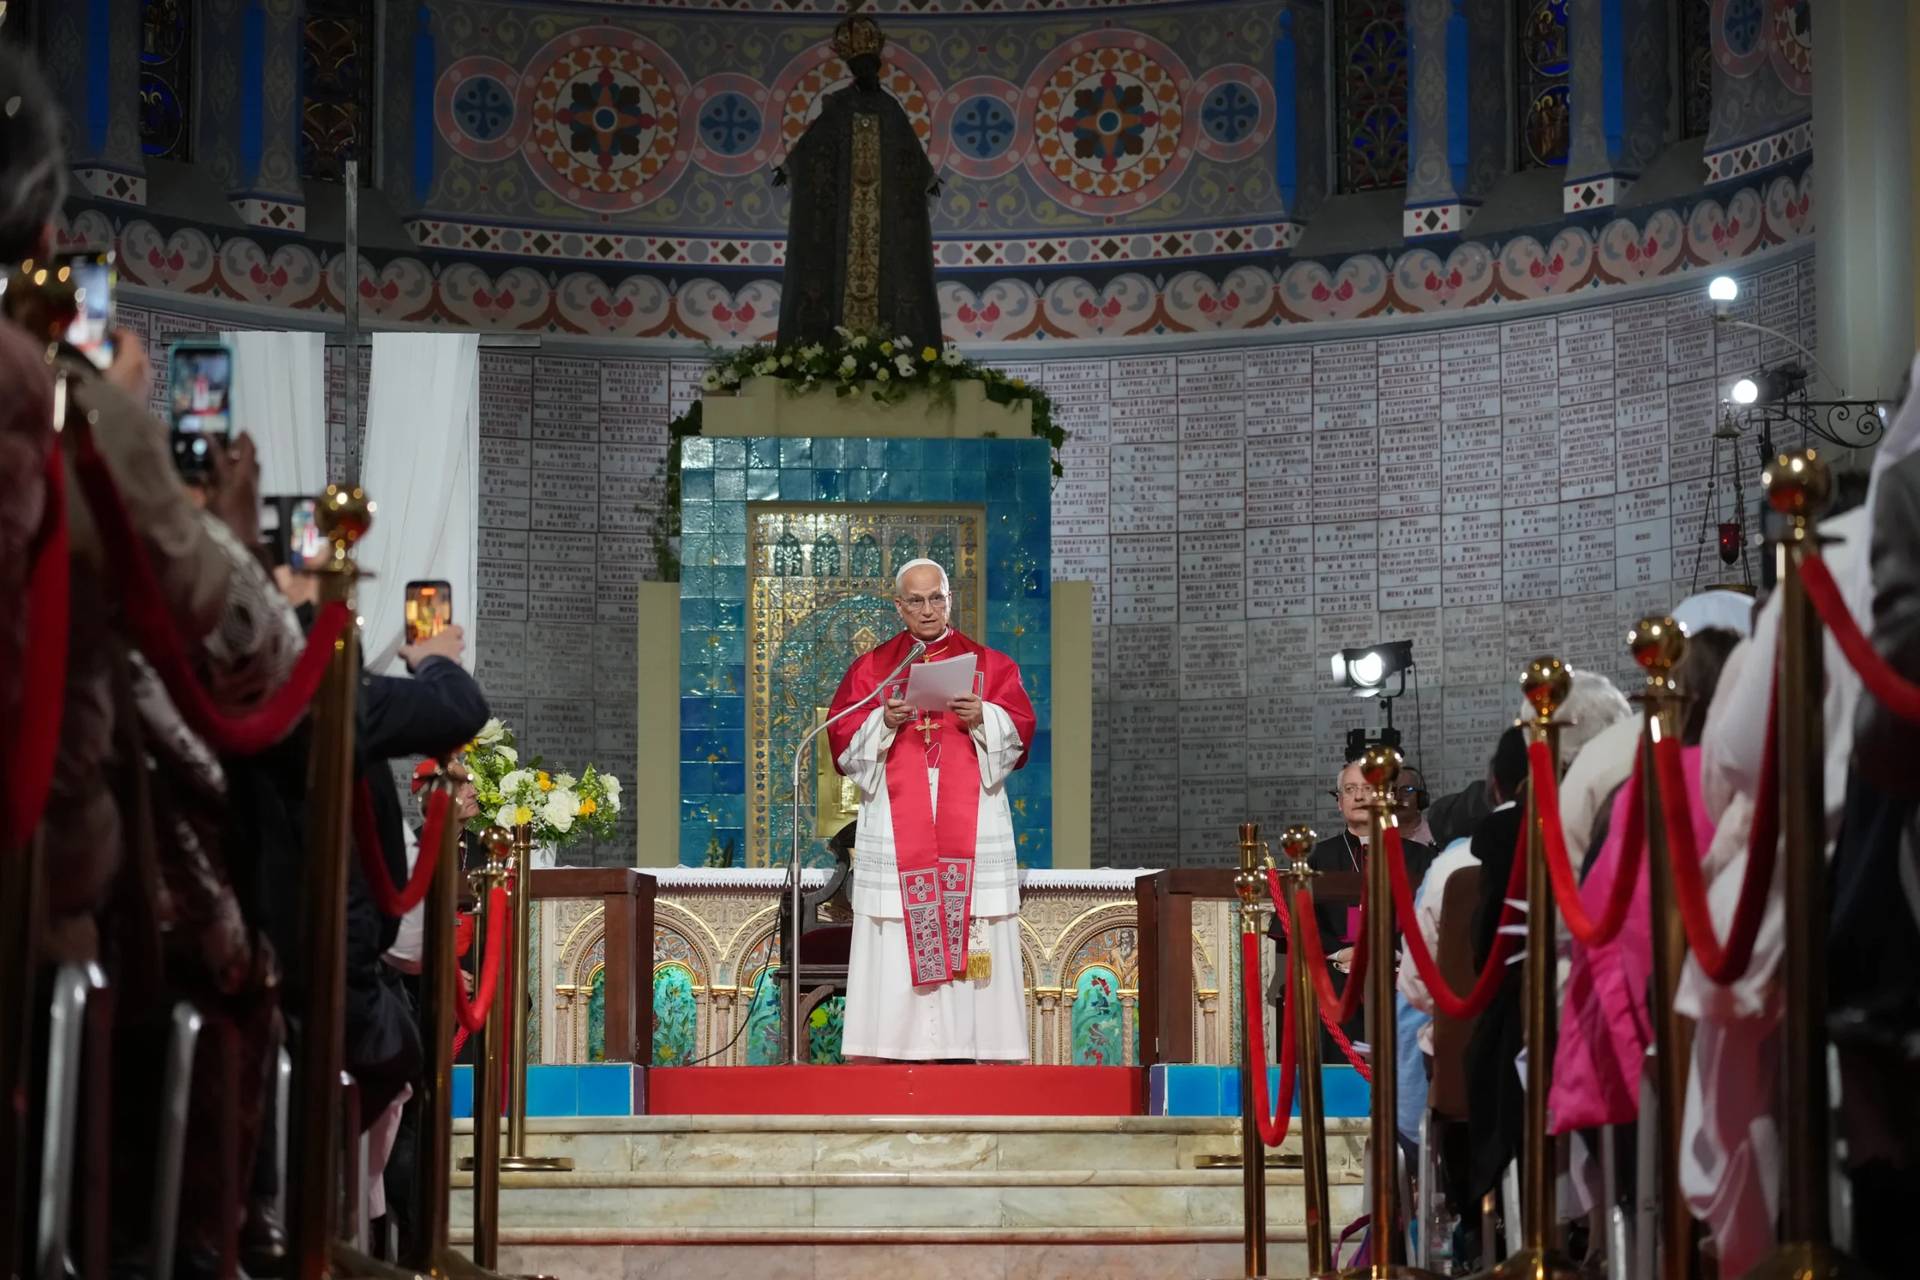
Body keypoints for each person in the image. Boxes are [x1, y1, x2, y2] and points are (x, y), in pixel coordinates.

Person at [828, 558, 1036, 1062]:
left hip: (972, 815)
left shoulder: (991, 665)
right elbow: (841, 742)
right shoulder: (875, 669)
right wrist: (884, 720)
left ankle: (982, 1045)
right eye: (916, 600)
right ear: (899, 606)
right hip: (899, 822)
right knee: (898, 922)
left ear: (950, 599)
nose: (928, 609)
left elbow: (1022, 733)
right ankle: (892, 1045)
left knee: (974, 919)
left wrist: (983, 715)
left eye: (937, 598)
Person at [773, 11, 942, 351]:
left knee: (896, 273)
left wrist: (925, 178)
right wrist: (790, 168)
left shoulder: (890, 109)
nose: (865, 72)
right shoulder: (839, 108)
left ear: (876, 67)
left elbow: (908, 149)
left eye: (869, 65)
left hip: (884, 220)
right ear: (853, 70)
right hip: (843, 224)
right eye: (859, 66)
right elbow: (813, 144)